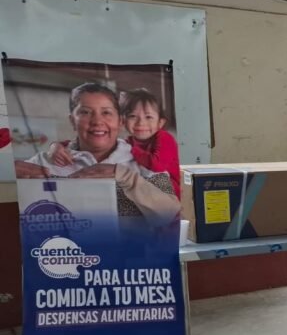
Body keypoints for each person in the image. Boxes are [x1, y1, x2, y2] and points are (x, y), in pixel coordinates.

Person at [14, 83, 180, 227]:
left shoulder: (144, 161)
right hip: (66, 252)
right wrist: (13, 174)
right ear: (72, 120)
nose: (97, 121)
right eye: (85, 112)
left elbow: (169, 215)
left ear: (120, 121)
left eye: (106, 112)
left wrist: (126, 177)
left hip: (132, 254)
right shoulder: (43, 162)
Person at [48, 88, 181, 197]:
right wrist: (56, 146)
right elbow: (73, 143)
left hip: (173, 192)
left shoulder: (164, 138)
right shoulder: (129, 142)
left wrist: (130, 152)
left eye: (149, 117)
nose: (141, 123)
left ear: (160, 122)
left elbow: (157, 165)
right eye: (132, 116)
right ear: (123, 121)